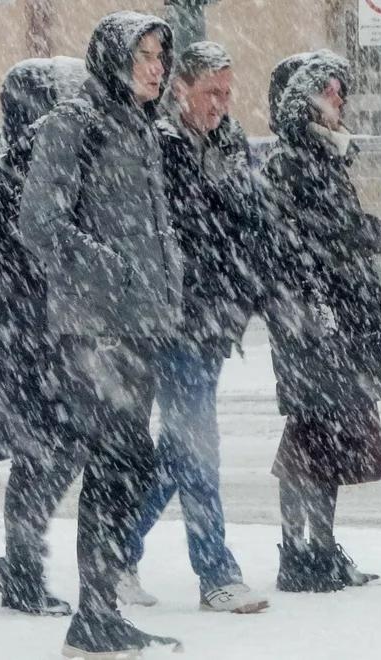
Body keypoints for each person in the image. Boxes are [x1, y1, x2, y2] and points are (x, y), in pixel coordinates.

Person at [17, 12, 184, 658]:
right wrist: (106, 270)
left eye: (159, 57)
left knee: (126, 466)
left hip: (137, 326)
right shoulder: (77, 122)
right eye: (143, 55)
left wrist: (165, 291)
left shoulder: (140, 129)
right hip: (93, 328)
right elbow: (39, 222)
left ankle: (99, 609)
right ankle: (92, 614)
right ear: (115, 58)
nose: (155, 67)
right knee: (123, 460)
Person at [117, 41, 270, 614]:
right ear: (182, 89)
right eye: (212, 93)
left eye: (228, 94)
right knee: (197, 445)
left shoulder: (228, 142)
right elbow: (182, 234)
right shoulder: (159, 147)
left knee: (179, 449)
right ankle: (216, 572)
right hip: (175, 323)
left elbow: (250, 221)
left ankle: (113, 553)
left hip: (213, 324)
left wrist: (246, 290)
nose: (222, 105)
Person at [261, 53, 381, 593]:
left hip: (335, 318)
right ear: (303, 99)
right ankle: (295, 552)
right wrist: (359, 237)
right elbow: (298, 242)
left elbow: (327, 231)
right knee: (308, 434)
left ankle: (321, 550)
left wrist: (356, 235)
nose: (340, 99)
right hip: (312, 321)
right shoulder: (291, 160)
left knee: (331, 436)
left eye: (340, 90)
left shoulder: (324, 155)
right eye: (330, 90)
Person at [0, 56, 89, 617]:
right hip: (25, 337)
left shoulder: (55, 169)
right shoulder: (7, 179)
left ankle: (21, 563)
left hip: (47, 335)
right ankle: (21, 570)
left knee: (49, 454)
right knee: (44, 454)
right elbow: (22, 259)